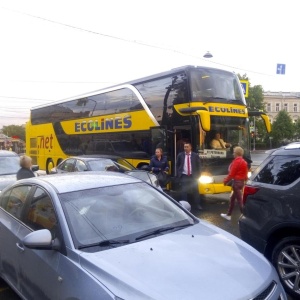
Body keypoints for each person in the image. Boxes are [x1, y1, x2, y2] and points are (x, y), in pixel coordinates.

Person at [221, 146, 248, 221]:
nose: (233, 154)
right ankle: (228, 214)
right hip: (241, 182)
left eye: (234, 152)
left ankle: (245, 218)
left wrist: (225, 181)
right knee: (232, 199)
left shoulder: (236, 161)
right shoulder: (244, 162)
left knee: (240, 201)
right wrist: (246, 181)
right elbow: (245, 174)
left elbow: (231, 174)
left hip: (236, 183)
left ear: (236, 153)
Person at [176, 142, 202, 210]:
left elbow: (199, 165)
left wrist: (199, 175)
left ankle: (197, 204)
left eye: (187, 147)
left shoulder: (195, 155)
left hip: (193, 176)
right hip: (184, 175)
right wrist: (178, 174)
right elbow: (177, 165)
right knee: (184, 191)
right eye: (185, 147)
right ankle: (185, 206)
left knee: (195, 190)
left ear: (190, 147)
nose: (186, 148)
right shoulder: (180, 155)